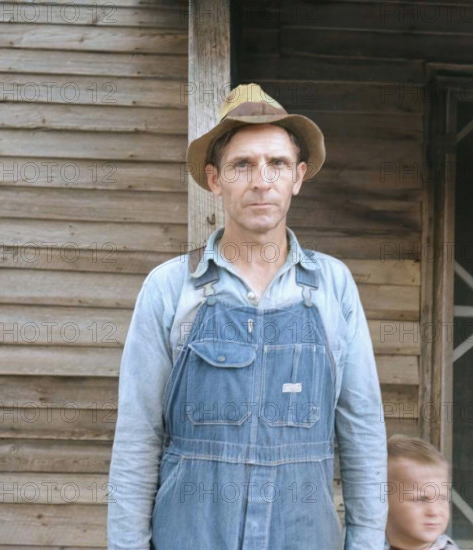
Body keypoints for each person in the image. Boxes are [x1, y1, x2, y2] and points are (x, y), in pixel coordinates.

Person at [107, 83, 387, 549]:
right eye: (242, 165)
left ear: (298, 176)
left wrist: (367, 543)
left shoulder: (333, 287)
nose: (262, 180)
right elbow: (138, 437)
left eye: (276, 163)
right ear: (215, 179)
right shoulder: (171, 287)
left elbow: (363, 432)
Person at [385, 435, 460, 550]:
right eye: (420, 499)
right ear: (384, 500)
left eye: (442, 498)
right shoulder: (363, 543)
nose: (434, 511)